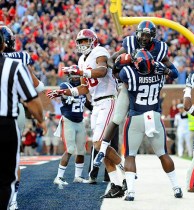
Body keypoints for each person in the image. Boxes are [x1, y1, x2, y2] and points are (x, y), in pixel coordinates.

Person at [47, 28, 126, 198]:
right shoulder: (82, 60)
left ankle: (126, 170)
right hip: (96, 104)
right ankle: (117, 185)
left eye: (85, 41)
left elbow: (103, 70)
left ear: (93, 41)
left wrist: (81, 72)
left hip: (108, 100)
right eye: (80, 42)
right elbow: (84, 88)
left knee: (99, 145)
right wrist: (63, 92)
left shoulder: (99, 51)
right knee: (100, 148)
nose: (82, 45)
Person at [94, 20, 178, 168]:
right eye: (142, 35)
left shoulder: (160, 49)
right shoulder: (130, 43)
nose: (144, 39)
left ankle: (157, 152)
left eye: (147, 36)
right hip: (132, 84)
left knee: (149, 126)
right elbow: (110, 61)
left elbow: (175, 73)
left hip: (149, 86)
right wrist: (120, 65)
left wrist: (165, 70)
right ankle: (102, 151)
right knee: (117, 117)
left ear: (152, 36)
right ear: (137, 34)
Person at [118, 49, 182, 201]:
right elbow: (174, 73)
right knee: (162, 153)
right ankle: (176, 187)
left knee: (130, 155)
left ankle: (131, 192)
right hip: (154, 115)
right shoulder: (159, 68)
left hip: (136, 117)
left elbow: (118, 71)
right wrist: (166, 69)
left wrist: (126, 59)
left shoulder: (128, 72)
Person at [0, 25, 46, 210]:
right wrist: (40, 119)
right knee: (11, 161)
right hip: (11, 112)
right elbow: (36, 87)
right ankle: (12, 200)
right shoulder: (18, 59)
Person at [51, 73, 93, 186]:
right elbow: (64, 94)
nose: (75, 78)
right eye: (73, 76)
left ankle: (78, 177)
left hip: (79, 122)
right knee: (70, 149)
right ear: (69, 77)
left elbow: (89, 104)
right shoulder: (65, 85)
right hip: (69, 121)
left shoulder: (83, 88)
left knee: (81, 151)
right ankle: (58, 177)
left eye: (77, 75)